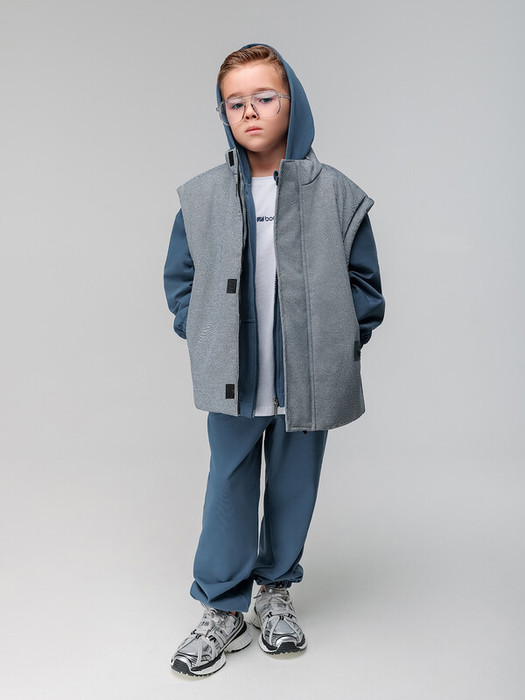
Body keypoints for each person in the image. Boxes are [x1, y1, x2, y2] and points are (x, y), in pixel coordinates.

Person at [163, 43, 385, 678]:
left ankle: (276, 592)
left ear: (294, 104)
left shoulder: (336, 193)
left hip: (308, 375)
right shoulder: (202, 196)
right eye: (235, 103)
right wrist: (200, 331)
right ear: (223, 114)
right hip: (233, 372)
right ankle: (222, 607)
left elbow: (364, 284)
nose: (250, 112)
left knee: (293, 486)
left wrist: (338, 344)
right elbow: (182, 279)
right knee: (228, 486)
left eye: (265, 97)